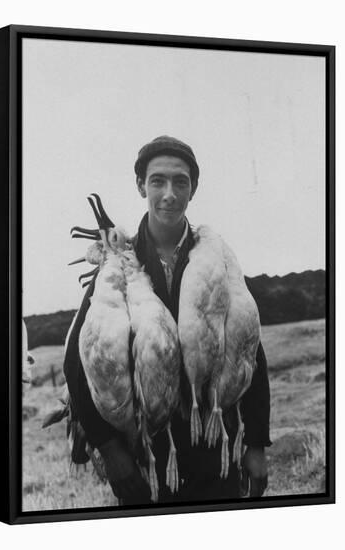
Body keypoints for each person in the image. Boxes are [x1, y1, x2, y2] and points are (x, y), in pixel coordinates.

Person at [63, 136, 271, 505]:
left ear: (194, 188)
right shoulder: (119, 263)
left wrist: (255, 443)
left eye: (181, 182)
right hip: (148, 458)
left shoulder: (216, 259)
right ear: (141, 185)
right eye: (157, 180)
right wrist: (110, 449)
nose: (169, 194)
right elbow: (77, 362)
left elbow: (249, 350)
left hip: (215, 450)